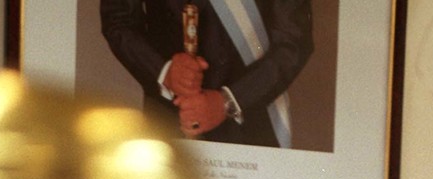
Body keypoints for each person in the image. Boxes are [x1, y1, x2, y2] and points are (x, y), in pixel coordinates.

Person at [99, 0, 314, 145]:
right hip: (171, 118)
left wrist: (227, 102)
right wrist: (165, 71)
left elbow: (294, 42)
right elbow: (118, 20)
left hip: (251, 118)